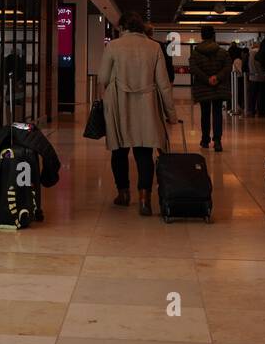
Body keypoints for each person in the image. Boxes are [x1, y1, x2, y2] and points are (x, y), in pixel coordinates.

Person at [98, 11, 174, 216]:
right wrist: (171, 114)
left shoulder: (113, 46)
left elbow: (103, 77)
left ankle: (123, 194)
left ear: (122, 28)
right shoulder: (154, 47)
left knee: (119, 152)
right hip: (146, 106)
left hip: (119, 105)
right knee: (144, 153)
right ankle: (144, 200)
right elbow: (164, 84)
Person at [190, 25, 231, 151]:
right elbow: (228, 67)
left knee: (205, 114)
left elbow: (193, 68)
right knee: (218, 113)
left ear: (202, 36)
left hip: (203, 88)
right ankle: (217, 141)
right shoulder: (222, 52)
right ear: (213, 35)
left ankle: (205, 140)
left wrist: (206, 79)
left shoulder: (195, 52)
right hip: (218, 87)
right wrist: (216, 78)